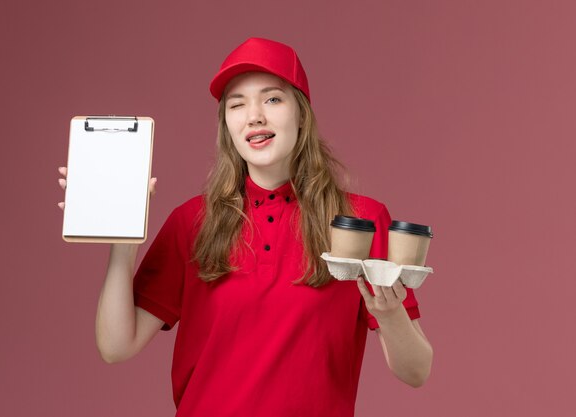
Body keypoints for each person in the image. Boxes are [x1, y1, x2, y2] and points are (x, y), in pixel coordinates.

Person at [58, 37, 433, 417]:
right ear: (227, 125)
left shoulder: (361, 223)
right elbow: (116, 346)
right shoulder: (191, 222)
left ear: (301, 113)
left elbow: (416, 371)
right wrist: (125, 236)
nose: (254, 115)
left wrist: (389, 313)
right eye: (237, 105)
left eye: (272, 99)